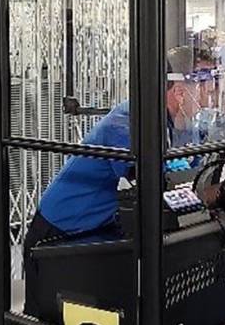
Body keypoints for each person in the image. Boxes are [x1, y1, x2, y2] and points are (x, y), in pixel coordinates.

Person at [24, 45, 210, 248]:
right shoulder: (129, 122)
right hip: (61, 230)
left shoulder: (170, 122)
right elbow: (156, 181)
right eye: (205, 83)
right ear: (180, 92)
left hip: (97, 226)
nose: (210, 92)